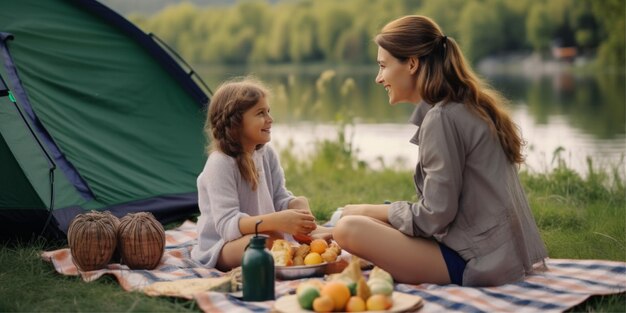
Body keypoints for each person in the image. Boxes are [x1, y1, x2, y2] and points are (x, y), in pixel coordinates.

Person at [331, 15, 548, 287]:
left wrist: (365, 209)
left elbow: (434, 216)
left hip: (477, 262)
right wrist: (376, 212)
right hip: (495, 252)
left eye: (383, 66)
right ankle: (333, 228)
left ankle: (340, 225)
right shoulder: (462, 105)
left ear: (411, 63)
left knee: (348, 227)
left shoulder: (442, 118)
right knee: (363, 217)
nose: (378, 78)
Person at [191, 77, 323, 271]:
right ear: (236, 122)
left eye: (268, 111)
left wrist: (298, 206)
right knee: (264, 243)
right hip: (224, 246)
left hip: (266, 234)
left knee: (274, 239)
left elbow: (280, 198)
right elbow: (227, 226)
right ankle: (315, 236)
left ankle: (320, 234)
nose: (270, 119)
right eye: (261, 113)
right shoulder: (220, 163)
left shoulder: (266, 154)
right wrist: (277, 221)